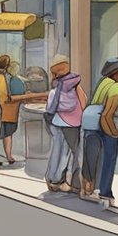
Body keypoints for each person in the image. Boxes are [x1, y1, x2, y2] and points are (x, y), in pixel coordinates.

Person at [90, 58, 118, 208]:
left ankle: (93, 188)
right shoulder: (117, 87)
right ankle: (105, 192)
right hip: (103, 125)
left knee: (95, 159)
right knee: (109, 159)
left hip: (92, 124)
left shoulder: (103, 82)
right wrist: (113, 133)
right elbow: (107, 115)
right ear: (116, 73)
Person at [44, 54, 84, 193]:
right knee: (72, 153)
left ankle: (53, 180)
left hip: (56, 121)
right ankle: (71, 183)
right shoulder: (75, 84)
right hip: (73, 123)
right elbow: (83, 102)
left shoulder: (56, 87)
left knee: (57, 150)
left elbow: (50, 106)